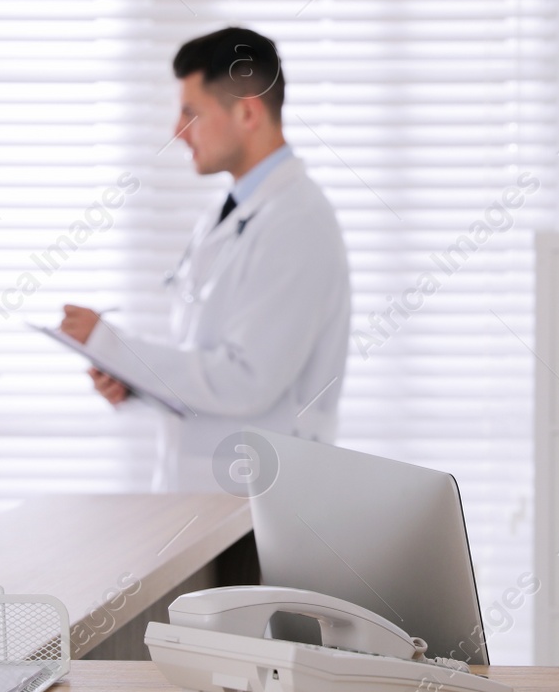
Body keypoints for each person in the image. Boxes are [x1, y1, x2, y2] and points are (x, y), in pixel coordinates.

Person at [60, 27, 350, 491]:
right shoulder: (231, 214)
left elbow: (246, 382)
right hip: (213, 496)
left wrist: (117, 347)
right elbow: (206, 366)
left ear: (248, 112)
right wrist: (133, 382)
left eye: (191, 113)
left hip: (265, 501)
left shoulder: (298, 221)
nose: (176, 131)